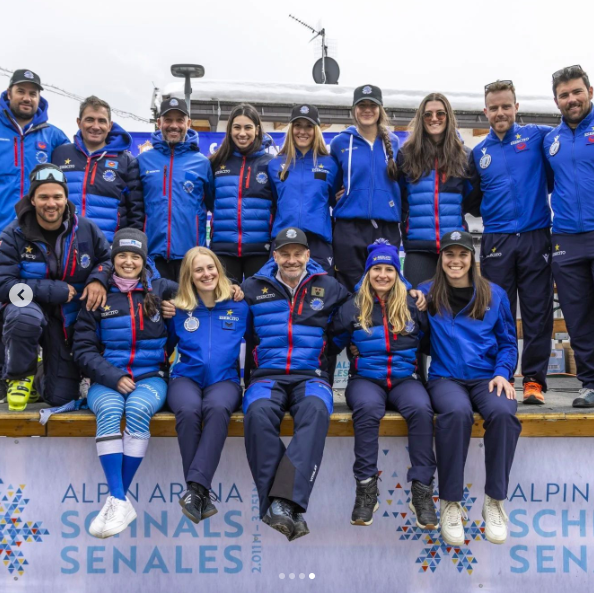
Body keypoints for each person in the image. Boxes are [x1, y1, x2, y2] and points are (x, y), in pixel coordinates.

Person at [242, 227, 350, 541]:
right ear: (274, 256)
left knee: (316, 410)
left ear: (307, 255)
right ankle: (286, 505)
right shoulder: (251, 287)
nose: (291, 260)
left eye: (297, 253)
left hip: (311, 376)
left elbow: (358, 310)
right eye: (284, 253)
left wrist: (412, 291)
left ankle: (279, 504)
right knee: (258, 414)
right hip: (267, 376)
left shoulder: (329, 286)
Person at [72, 229, 177, 538]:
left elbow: (206, 287)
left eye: (135, 256)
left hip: (150, 377)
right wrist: (113, 376)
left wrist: (180, 309)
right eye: (122, 256)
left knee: (138, 409)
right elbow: (83, 349)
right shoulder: (97, 294)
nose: (128, 262)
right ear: (113, 259)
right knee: (109, 409)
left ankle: (117, 500)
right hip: (107, 378)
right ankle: (119, 499)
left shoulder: (161, 289)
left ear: (144, 260)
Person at [419, 230, 521, 546]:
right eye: (449, 255)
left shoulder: (494, 294)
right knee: (456, 413)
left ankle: (494, 501)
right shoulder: (426, 293)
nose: (456, 261)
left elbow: (507, 341)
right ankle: (450, 502)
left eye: (462, 254)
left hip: (485, 377)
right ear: (441, 260)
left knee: (504, 412)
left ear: (471, 259)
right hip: (446, 377)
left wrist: (504, 373)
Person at [330, 243, 437, 529]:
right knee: (366, 408)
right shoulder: (352, 306)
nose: (382, 275)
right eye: (376, 269)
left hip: (404, 380)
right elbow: (330, 343)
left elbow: (431, 342)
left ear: (397, 274)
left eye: (389, 269)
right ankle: (366, 489)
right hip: (366, 380)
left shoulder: (413, 304)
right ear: (367, 273)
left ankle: (422, 492)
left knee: (421, 408)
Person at [467, 80, 554, 405]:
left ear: (516, 107)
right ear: (485, 111)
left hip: (535, 237)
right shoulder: (479, 153)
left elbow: (557, 172)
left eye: (506, 106)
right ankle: (498, 376)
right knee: (497, 311)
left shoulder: (537, 137)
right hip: (496, 241)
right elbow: (472, 200)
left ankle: (533, 382)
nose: (501, 112)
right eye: (495, 107)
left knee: (537, 313)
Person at [0, 164, 110, 410]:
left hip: (66, 318)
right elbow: (5, 285)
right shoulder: (13, 233)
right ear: (32, 199)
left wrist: (97, 279)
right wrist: (55, 290)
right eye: (44, 197)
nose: (51, 203)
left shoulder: (86, 228)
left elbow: (107, 258)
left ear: (65, 198)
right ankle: (19, 375)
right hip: (26, 309)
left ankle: (41, 373)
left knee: (60, 398)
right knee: (24, 314)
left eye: (57, 196)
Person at [166, 247, 249, 524]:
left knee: (216, 408)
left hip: (224, 380)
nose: (206, 274)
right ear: (189, 275)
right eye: (198, 269)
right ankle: (199, 491)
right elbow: (163, 345)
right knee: (189, 411)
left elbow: (259, 341)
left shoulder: (239, 305)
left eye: (210, 267)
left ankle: (196, 490)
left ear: (219, 269)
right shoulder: (177, 307)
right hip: (185, 378)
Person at [543, 65, 594, 408]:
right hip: (566, 239)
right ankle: (590, 384)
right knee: (577, 315)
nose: (571, 99)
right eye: (564, 95)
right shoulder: (551, 140)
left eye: (577, 91)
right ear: (556, 100)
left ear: (590, 91)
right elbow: (546, 184)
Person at [330, 85, 402, 291]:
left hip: (386, 227)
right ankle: (351, 324)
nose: (367, 110)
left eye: (373, 105)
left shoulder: (394, 143)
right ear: (354, 109)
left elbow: (402, 186)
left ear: (381, 109)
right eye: (362, 105)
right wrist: (342, 197)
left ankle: (382, 325)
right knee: (350, 287)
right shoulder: (340, 142)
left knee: (384, 287)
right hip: (349, 227)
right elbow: (331, 185)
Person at [137, 98, 213, 281]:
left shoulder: (202, 162)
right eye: (168, 120)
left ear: (188, 123)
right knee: (156, 309)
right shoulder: (142, 161)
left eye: (179, 120)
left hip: (191, 257)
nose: (174, 125)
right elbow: (134, 207)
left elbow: (213, 205)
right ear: (159, 123)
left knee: (188, 309)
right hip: (151, 257)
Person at [400, 93, 471, 288]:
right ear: (420, 119)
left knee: (454, 307)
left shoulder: (464, 156)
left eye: (440, 113)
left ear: (448, 117)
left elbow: (474, 199)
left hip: (454, 247)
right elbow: (394, 196)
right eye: (428, 114)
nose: (434, 118)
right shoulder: (406, 155)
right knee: (418, 305)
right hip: (418, 248)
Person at [52, 96, 143, 243]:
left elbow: (136, 213)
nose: (95, 126)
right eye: (89, 119)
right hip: (64, 245)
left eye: (101, 121)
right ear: (78, 122)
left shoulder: (126, 161)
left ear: (110, 125)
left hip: (107, 249)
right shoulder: (60, 154)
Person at [268, 104, 340, 274]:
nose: (303, 131)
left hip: (318, 241)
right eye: (298, 125)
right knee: (284, 296)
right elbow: (273, 201)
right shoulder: (275, 164)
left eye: (308, 126)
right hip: (283, 240)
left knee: (320, 297)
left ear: (316, 130)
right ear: (291, 128)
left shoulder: (330, 164)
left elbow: (335, 199)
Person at [209, 103, 274, 283]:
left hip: (261, 250)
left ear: (257, 129)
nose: (242, 133)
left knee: (259, 305)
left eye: (248, 127)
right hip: (223, 249)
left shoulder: (270, 163)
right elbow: (208, 201)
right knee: (227, 305)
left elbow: (278, 205)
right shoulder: (217, 162)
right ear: (229, 130)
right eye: (237, 127)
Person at [0, 69, 69, 231]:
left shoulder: (54, 136)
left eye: (32, 94)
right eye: (20, 92)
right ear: (9, 94)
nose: (26, 98)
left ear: (39, 98)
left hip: (38, 233)